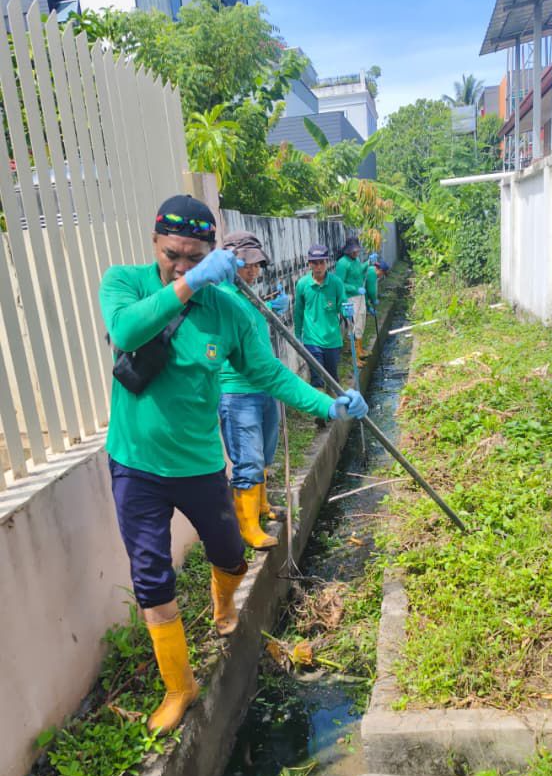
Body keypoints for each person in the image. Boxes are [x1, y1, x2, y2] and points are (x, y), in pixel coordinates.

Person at [99, 195, 368, 736]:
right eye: (174, 253)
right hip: (136, 464)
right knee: (151, 575)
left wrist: (329, 404)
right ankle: (180, 688)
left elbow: (271, 375)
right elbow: (126, 333)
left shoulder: (230, 312)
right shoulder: (124, 283)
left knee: (231, 556)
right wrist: (191, 283)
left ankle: (225, 610)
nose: (182, 263)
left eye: (195, 256)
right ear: (156, 243)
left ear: (211, 251)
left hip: (199, 466)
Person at [218, 230, 288, 550]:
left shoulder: (245, 295)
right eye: (246, 264)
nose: (253, 270)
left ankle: (261, 506)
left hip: (262, 388)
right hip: (237, 392)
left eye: (257, 265)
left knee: (263, 453)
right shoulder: (221, 294)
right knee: (247, 459)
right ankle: (248, 527)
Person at [294, 244, 349, 411]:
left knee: (332, 377)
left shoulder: (336, 283)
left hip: (332, 339)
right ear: (309, 264)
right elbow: (298, 311)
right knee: (317, 378)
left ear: (326, 262)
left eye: (321, 263)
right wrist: (297, 335)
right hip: (312, 340)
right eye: (314, 263)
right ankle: (320, 413)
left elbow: (343, 304)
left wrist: (347, 311)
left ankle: (334, 410)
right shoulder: (303, 284)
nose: (318, 267)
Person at [335, 236, 368, 366]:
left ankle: (360, 350)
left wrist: (368, 263)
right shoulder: (342, 263)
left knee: (361, 322)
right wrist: (355, 288)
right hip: (350, 298)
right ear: (348, 251)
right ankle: (354, 358)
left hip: (360, 296)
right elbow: (340, 283)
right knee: (353, 325)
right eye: (354, 251)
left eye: (357, 251)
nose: (356, 253)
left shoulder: (356, 261)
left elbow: (359, 272)